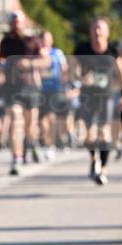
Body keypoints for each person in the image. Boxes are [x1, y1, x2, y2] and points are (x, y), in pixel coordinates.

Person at [70, 18, 122, 186]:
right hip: (87, 97)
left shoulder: (113, 50)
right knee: (89, 135)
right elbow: (71, 71)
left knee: (104, 132)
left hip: (106, 96)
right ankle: (93, 158)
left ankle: (103, 169)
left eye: (100, 29)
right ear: (90, 32)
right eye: (94, 28)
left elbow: (121, 73)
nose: (97, 32)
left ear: (107, 32)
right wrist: (82, 79)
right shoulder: (82, 49)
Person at [0, 11, 45, 175]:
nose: (15, 24)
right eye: (13, 21)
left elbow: (45, 60)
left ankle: (33, 142)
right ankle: (16, 158)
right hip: (12, 88)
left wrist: (29, 64)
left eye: (18, 21)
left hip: (30, 87)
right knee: (16, 122)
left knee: (30, 125)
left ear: (23, 23)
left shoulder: (33, 40)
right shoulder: (5, 42)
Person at [38, 30, 69, 158]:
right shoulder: (36, 53)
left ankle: (51, 144)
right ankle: (47, 143)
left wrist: (65, 83)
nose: (45, 41)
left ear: (51, 40)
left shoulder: (57, 53)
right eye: (43, 39)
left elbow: (64, 68)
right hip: (40, 89)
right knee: (42, 120)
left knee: (51, 116)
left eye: (47, 39)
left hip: (55, 89)